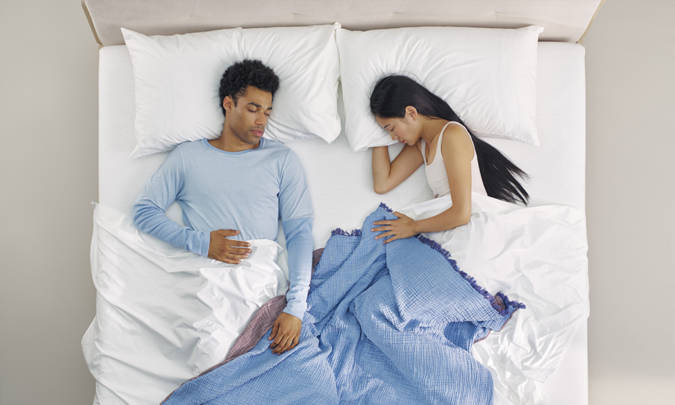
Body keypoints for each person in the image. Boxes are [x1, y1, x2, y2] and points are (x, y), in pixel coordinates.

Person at [132, 59, 313, 355]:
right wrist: (201, 242)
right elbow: (144, 211)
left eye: (267, 112)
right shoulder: (187, 157)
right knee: (213, 354)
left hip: (261, 278)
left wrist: (296, 307)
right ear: (229, 104)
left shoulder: (282, 159)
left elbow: (299, 233)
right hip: (210, 277)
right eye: (253, 109)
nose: (262, 121)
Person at [368, 75, 529, 243]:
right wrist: (375, 137)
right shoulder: (421, 144)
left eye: (391, 128)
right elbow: (382, 184)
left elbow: (462, 213)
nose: (392, 137)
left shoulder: (452, 135)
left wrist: (413, 227)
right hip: (448, 228)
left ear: (411, 113)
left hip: (471, 228)